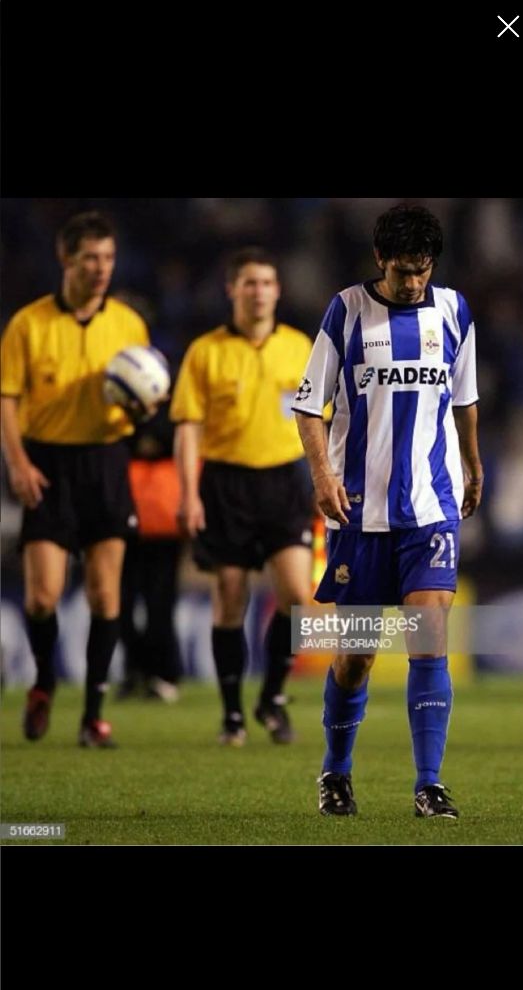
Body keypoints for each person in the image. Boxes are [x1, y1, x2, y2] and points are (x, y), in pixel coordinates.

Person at [292, 204, 484, 817]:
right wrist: (323, 476)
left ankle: (429, 783)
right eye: (403, 271)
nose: (412, 283)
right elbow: (307, 405)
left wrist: (474, 467)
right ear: (380, 260)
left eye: (422, 271)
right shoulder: (345, 311)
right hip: (359, 516)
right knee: (356, 656)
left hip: (429, 509)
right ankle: (336, 772)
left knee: (429, 641)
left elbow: (465, 399)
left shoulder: (454, 311)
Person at [0, 209, 161, 747]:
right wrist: (18, 463)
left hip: (106, 461)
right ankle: (45, 681)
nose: (101, 268)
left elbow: (145, 395)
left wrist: (144, 407)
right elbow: (7, 399)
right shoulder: (29, 324)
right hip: (46, 464)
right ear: (65, 258)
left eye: (108, 258)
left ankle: (94, 715)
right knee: (43, 595)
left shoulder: (128, 324)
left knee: (104, 593)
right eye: (90, 257)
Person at [171, 246, 314, 745]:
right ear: (231, 289)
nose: (259, 292)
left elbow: (325, 421)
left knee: (298, 597)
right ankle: (232, 715)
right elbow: (187, 429)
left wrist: (328, 479)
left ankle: (272, 696)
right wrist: (188, 494)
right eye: (249, 283)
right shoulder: (205, 352)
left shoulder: (301, 348)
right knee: (230, 597)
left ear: (278, 290)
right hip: (226, 485)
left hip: (285, 481)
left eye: (267, 282)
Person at [116, 401, 184, 702]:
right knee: (122, 600)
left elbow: (182, 435)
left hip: (161, 511)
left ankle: (162, 671)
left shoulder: (170, 401)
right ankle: (136, 669)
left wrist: (152, 437)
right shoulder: (117, 404)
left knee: (160, 599)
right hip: (127, 507)